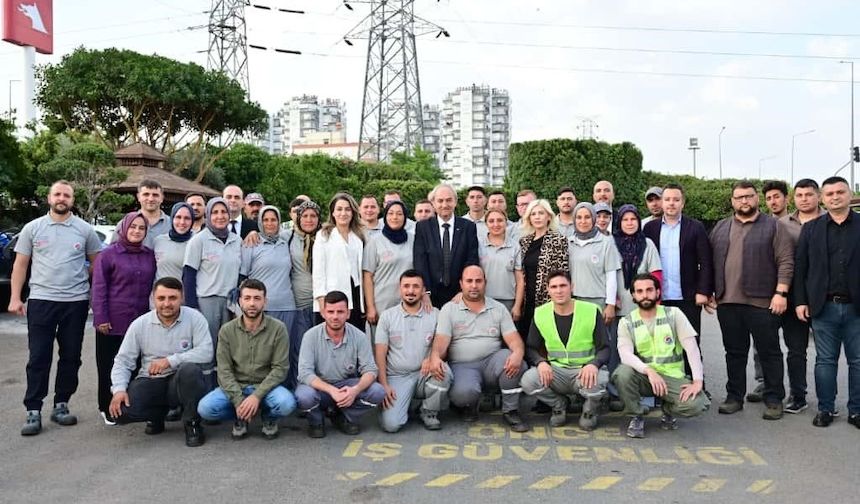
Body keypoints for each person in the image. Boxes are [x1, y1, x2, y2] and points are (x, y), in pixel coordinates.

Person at [11, 180, 102, 436]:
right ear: (49, 198)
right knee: (39, 357)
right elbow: (20, 264)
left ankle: (61, 403)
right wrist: (15, 297)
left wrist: (84, 283)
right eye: (58, 194)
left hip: (75, 302)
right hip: (41, 300)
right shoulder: (33, 228)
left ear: (72, 200)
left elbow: (97, 264)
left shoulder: (85, 230)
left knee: (71, 356)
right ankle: (33, 409)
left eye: (67, 195)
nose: (62, 198)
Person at [709, 180, 794, 420]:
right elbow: (709, 261)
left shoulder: (774, 227)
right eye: (739, 197)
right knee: (734, 353)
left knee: (769, 353)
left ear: (756, 198)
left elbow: (786, 261)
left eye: (748, 196)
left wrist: (781, 293)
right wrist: (709, 291)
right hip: (727, 302)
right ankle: (734, 397)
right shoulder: (721, 227)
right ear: (732, 201)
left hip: (762, 303)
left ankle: (774, 399)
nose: (744, 201)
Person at [108, 277, 212, 447]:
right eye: (161, 298)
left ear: (182, 298)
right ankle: (157, 416)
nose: (167, 304)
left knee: (190, 371)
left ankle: (192, 423)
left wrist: (170, 361)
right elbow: (123, 361)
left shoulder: (195, 318)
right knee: (121, 413)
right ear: (153, 298)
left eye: (173, 298)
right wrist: (119, 389)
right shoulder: (140, 324)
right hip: (151, 381)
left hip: (180, 381)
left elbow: (206, 352)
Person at [426, 265, 531, 432]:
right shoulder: (449, 309)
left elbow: (514, 339)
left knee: (515, 362)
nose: (474, 285)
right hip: (462, 366)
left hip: (492, 362)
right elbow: (441, 341)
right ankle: (469, 405)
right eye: (469, 281)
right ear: (461, 284)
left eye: (478, 281)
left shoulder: (498, 308)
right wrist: (435, 357)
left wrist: (518, 353)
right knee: (463, 395)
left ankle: (510, 410)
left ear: (485, 283)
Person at [794, 176, 860, 429]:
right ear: (823, 198)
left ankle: (856, 411)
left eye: (840, 192)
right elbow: (801, 268)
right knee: (825, 361)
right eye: (829, 193)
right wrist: (800, 301)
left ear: (849, 194)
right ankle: (825, 409)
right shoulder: (811, 229)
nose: (835, 197)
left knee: (858, 361)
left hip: (856, 307)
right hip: (823, 306)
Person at [613, 273, 710, 438]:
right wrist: (649, 371)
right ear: (633, 296)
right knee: (622, 374)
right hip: (645, 376)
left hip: (671, 377)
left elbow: (692, 348)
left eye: (649, 290)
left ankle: (667, 409)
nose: (645, 295)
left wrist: (697, 381)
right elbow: (625, 355)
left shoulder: (674, 314)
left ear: (658, 292)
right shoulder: (626, 322)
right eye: (640, 291)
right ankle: (637, 415)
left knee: (698, 404)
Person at [197, 279, 295, 440]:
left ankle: (269, 417)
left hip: (266, 387)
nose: (252, 303)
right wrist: (238, 401)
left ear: (265, 301)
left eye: (257, 298)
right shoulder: (227, 330)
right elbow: (224, 370)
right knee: (205, 409)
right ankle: (241, 415)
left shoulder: (278, 328)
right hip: (237, 386)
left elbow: (280, 368)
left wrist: (256, 396)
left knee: (286, 403)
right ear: (240, 301)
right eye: (247, 298)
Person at [748, 179, 818, 406]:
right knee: (764, 344)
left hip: (805, 293)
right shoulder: (767, 225)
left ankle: (805, 394)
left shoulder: (819, 222)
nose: (773, 201)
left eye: (777, 196)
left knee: (801, 349)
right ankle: (765, 383)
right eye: (768, 198)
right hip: (773, 294)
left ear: (787, 198)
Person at [520, 270, 609, 429]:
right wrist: (541, 362)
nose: (559, 291)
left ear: (571, 287)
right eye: (554, 287)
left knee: (599, 380)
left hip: (583, 371)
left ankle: (590, 411)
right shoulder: (541, 313)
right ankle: (559, 405)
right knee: (528, 380)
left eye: (563, 286)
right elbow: (531, 347)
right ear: (548, 290)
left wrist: (593, 364)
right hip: (557, 372)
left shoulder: (591, 311)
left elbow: (605, 348)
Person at [91, 211, 156, 425]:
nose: (137, 231)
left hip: (140, 320)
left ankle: (131, 406)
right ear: (124, 228)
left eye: (141, 228)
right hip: (112, 321)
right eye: (133, 227)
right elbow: (99, 288)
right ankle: (106, 407)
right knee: (108, 366)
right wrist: (100, 317)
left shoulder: (149, 255)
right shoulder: (108, 254)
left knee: (136, 365)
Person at [642, 183, 714, 373]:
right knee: (662, 345)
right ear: (662, 202)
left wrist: (703, 291)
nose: (671, 203)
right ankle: (666, 386)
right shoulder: (650, 228)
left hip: (688, 297)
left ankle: (696, 384)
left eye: (676, 199)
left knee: (691, 345)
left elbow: (706, 262)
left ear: (683, 203)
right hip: (659, 298)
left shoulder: (695, 227)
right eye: (667, 199)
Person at [295, 291, 385, 438]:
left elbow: (370, 370)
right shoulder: (310, 336)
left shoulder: (359, 336)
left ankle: (345, 416)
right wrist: (331, 390)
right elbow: (305, 373)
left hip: (346, 386)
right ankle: (316, 422)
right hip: (320, 387)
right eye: (330, 312)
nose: (335, 316)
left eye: (340, 312)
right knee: (304, 396)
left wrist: (355, 390)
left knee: (378, 391)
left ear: (348, 313)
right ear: (323, 313)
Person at [375, 270, 450, 432]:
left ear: (423, 290)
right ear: (400, 289)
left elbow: (443, 348)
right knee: (391, 425)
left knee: (444, 372)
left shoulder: (436, 314)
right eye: (406, 286)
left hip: (424, 374)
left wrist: (432, 358)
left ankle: (428, 412)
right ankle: (404, 405)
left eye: (416, 286)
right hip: (397, 377)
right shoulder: (387, 316)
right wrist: (384, 385)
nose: (410, 291)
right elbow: (380, 355)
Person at [183, 197, 242, 354]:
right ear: (208, 215)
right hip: (206, 301)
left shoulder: (237, 240)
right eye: (215, 212)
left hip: (231, 302)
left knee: (229, 347)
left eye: (223, 212)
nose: (220, 216)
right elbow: (188, 275)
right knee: (208, 346)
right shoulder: (198, 240)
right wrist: (192, 307)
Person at [413, 183, 480, 308]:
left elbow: (472, 259)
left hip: (460, 295)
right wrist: (425, 292)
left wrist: (463, 291)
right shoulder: (423, 227)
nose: (445, 205)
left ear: (455, 202)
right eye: (440, 201)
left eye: (449, 200)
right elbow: (420, 261)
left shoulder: (468, 227)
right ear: (433, 203)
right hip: (430, 296)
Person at [240, 205, 297, 344]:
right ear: (260, 222)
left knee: (284, 349)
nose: (270, 223)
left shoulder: (285, 243)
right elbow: (242, 277)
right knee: (261, 348)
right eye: (265, 220)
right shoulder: (251, 244)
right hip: (261, 307)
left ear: (279, 222)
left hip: (286, 306)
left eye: (273, 220)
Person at [516, 199, 569, 338]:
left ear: (549, 217)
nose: (537, 217)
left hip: (548, 299)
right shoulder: (524, 242)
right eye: (533, 214)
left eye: (541, 213)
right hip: (527, 299)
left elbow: (562, 272)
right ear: (529, 218)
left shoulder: (558, 240)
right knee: (527, 338)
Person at [283, 199, 321, 389]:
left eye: (313, 216)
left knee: (320, 349)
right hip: (298, 302)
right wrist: (253, 233)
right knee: (300, 347)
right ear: (297, 218)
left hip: (321, 303)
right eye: (304, 216)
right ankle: (299, 388)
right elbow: (267, 234)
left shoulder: (325, 237)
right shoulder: (287, 236)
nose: (309, 219)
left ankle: (320, 388)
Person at [313, 192, 366, 328]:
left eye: (347, 209)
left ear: (353, 212)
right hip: (332, 295)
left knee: (354, 333)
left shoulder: (358, 236)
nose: (343, 213)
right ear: (333, 212)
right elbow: (318, 270)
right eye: (339, 209)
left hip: (355, 293)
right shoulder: (323, 235)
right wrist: (321, 299)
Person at [363, 201, 415, 334]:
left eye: (399, 214)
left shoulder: (414, 240)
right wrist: (370, 307)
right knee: (381, 342)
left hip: (408, 302)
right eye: (390, 213)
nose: (394, 217)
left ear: (405, 217)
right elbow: (367, 276)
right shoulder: (374, 242)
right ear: (385, 216)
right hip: (382, 304)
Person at [613, 204, 662, 318]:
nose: (630, 223)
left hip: (644, 306)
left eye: (633, 219)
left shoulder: (647, 244)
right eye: (625, 220)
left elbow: (656, 274)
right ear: (619, 222)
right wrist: (611, 300)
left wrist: (657, 301)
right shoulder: (610, 244)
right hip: (617, 308)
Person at [478, 208, 524, 314]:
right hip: (483, 300)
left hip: (508, 301)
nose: (496, 224)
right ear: (486, 224)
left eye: (500, 220)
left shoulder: (515, 246)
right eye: (491, 221)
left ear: (506, 222)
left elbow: (520, 279)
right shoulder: (478, 245)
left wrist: (517, 306)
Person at [118, 180, 170, 249]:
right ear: (138, 197)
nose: (150, 199)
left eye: (155, 195)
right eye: (146, 194)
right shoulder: (124, 224)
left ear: (162, 198)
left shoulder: (172, 225)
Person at [153, 202, 194, 282]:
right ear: (172, 218)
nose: (182, 222)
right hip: (160, 289)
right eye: (178, 217)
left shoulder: (197, 242)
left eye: (187, 218)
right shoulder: (159, 241)